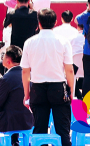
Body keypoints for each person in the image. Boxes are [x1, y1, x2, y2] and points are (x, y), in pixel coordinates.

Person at [21, 9, 74, 146]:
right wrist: (71, 91)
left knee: (39, 130)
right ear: (55, 22)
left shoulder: (29, 42)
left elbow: (25, 72)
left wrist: (27, 94)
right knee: (63, 130)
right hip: (58, 87)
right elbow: (69, 70)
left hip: (37, 88)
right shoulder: (63, 41)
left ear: (38, 23)